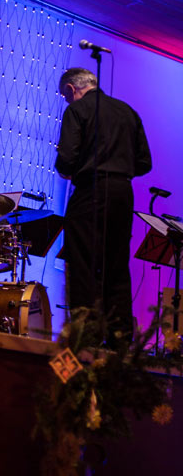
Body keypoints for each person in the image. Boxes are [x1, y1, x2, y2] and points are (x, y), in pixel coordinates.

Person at [55, 67, 152, 341]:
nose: (67, 100)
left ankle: (87, 337)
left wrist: (75, 168)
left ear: (72, 89)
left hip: (91, 191)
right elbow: (145, 163)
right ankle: (120, 337)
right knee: (117, 265)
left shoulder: (77, 110)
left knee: (83, 263)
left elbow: (66, 160)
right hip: (123, 193)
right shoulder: (128, 112)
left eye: (65, 95)